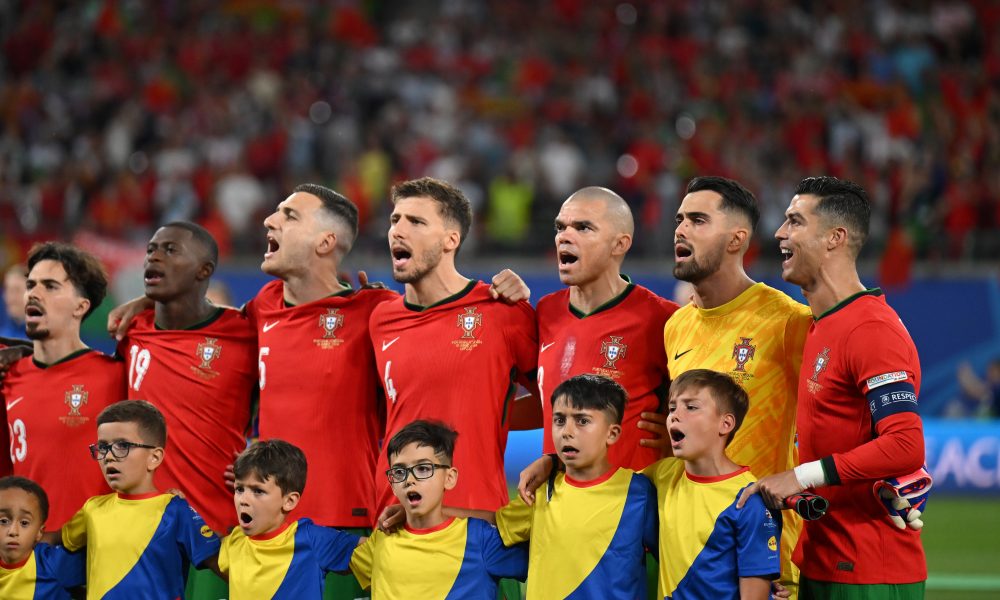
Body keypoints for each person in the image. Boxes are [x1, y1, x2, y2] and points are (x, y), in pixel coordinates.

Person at [738, 176, 927, 598]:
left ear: (834, 238)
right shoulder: (820, 325)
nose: (779, 233)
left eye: (795, 221)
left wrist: (799, 477)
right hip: (824, 560)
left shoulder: (870, 328)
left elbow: (906, 444)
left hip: (869, 571)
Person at [648, 176, 811, 595]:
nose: (681, 230)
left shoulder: (786, 322)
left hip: (765, 560)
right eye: (680, 220)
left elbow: (830, 415)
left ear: (737, 239)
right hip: (690, 559)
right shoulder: (676, 326)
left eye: (698, 220)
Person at [370, 177, 538, 516]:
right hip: (392, 517)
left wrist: (491, 413)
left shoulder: (501, 311)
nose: (398, 231)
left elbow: (556, 400)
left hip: (471, 519)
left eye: (416, 222)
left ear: (451, 239)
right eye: (395, 220)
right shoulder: (380, 319)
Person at [118, 222, 256, 535]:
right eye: (151, 249)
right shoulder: (132, 330)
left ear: (204, 270)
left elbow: (289, 396)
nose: (154, 257)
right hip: (142, 529)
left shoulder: (245, 333)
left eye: (171, 250)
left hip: (216, 525)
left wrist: (262, 454)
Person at [536, 187, 678, 470]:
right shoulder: (545, 311)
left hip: (631, 493)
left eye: (583, 227)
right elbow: (542, 402)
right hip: (560, 491)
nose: (565, 236)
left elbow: (703, 402)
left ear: (620, 244)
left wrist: (679, 437)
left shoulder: (662, 318)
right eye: (560, 227)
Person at [496, 374, 658, 598]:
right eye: (559, 420)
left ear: (612, 434)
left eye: (582, 421)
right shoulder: (541, 492)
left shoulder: (639, 493)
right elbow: (488, 530)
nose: (567, 432)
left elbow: (672, 558)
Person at [1, 242, 125, 531]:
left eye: (50, 286)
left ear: (80, 306)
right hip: (25, 548)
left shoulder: (115, 376)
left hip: (92, 547)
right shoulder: (7, 376)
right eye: (31, 284)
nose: (34, 293)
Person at [61, 400, 221, 599]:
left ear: (154, 458)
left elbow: (227, 568)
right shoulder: (91, 510)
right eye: (102, 447)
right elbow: (53, 549)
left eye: (122, 445)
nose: (108, 456)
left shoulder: (174, 510)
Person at [350, 420, 528, 598]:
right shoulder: (383, 539)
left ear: (449, 478)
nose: (409, 480)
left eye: (423, 468)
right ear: (392, 484)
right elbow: (337, 550)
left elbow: (540, 544)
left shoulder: (481, 539)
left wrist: (544, 462)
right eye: (399, 472)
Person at [646, 369, 781, 599]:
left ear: (725, 424)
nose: (674, 416)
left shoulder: (750, 500)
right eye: (672, 408)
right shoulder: (663, 474)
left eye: (691, 407)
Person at [220, 439, 362, 599]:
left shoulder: (312, 540)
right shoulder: (235, 540)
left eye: (258, 491)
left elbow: (376, 553)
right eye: (239, 489)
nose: (243, 500)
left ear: (289, 501)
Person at [0, 476, 85, 598]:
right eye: (3, 521)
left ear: (39, 533)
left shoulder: (51, 563)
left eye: (24, 523)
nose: (13, 531)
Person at [0, 265, 27, 339]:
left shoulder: (42, 337)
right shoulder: (2, 335)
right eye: (8, 290)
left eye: (17, 290)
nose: (11, 298)